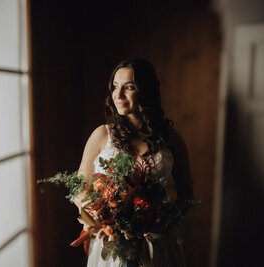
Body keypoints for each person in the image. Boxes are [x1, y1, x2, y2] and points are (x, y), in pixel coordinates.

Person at [75, 59, 193, 267]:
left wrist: (160, 221)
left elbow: (186, 195)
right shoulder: (102, 135)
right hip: (111, 244)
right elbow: (79, 188)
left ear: (146, 91)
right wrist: (105, 217)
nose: (118, 95)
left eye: (129, 87)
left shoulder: (171, 138)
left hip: (156, 245)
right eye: (115, 87)